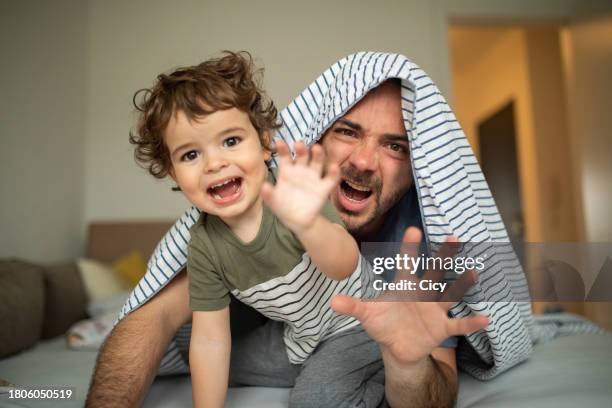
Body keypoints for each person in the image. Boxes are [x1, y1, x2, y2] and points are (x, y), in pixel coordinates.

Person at [87, 52, 505, 408]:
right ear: (173, 172)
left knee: (316, 398)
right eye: (192, 154)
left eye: (230, 141)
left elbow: (342, 264)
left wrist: (306, 223)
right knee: (196, 346)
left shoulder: (293, 193)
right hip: (297, 336)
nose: (214, 163)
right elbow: (211, 341)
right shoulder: (204, 243)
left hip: (355, 325)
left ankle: (368, 379)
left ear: (266, 143)